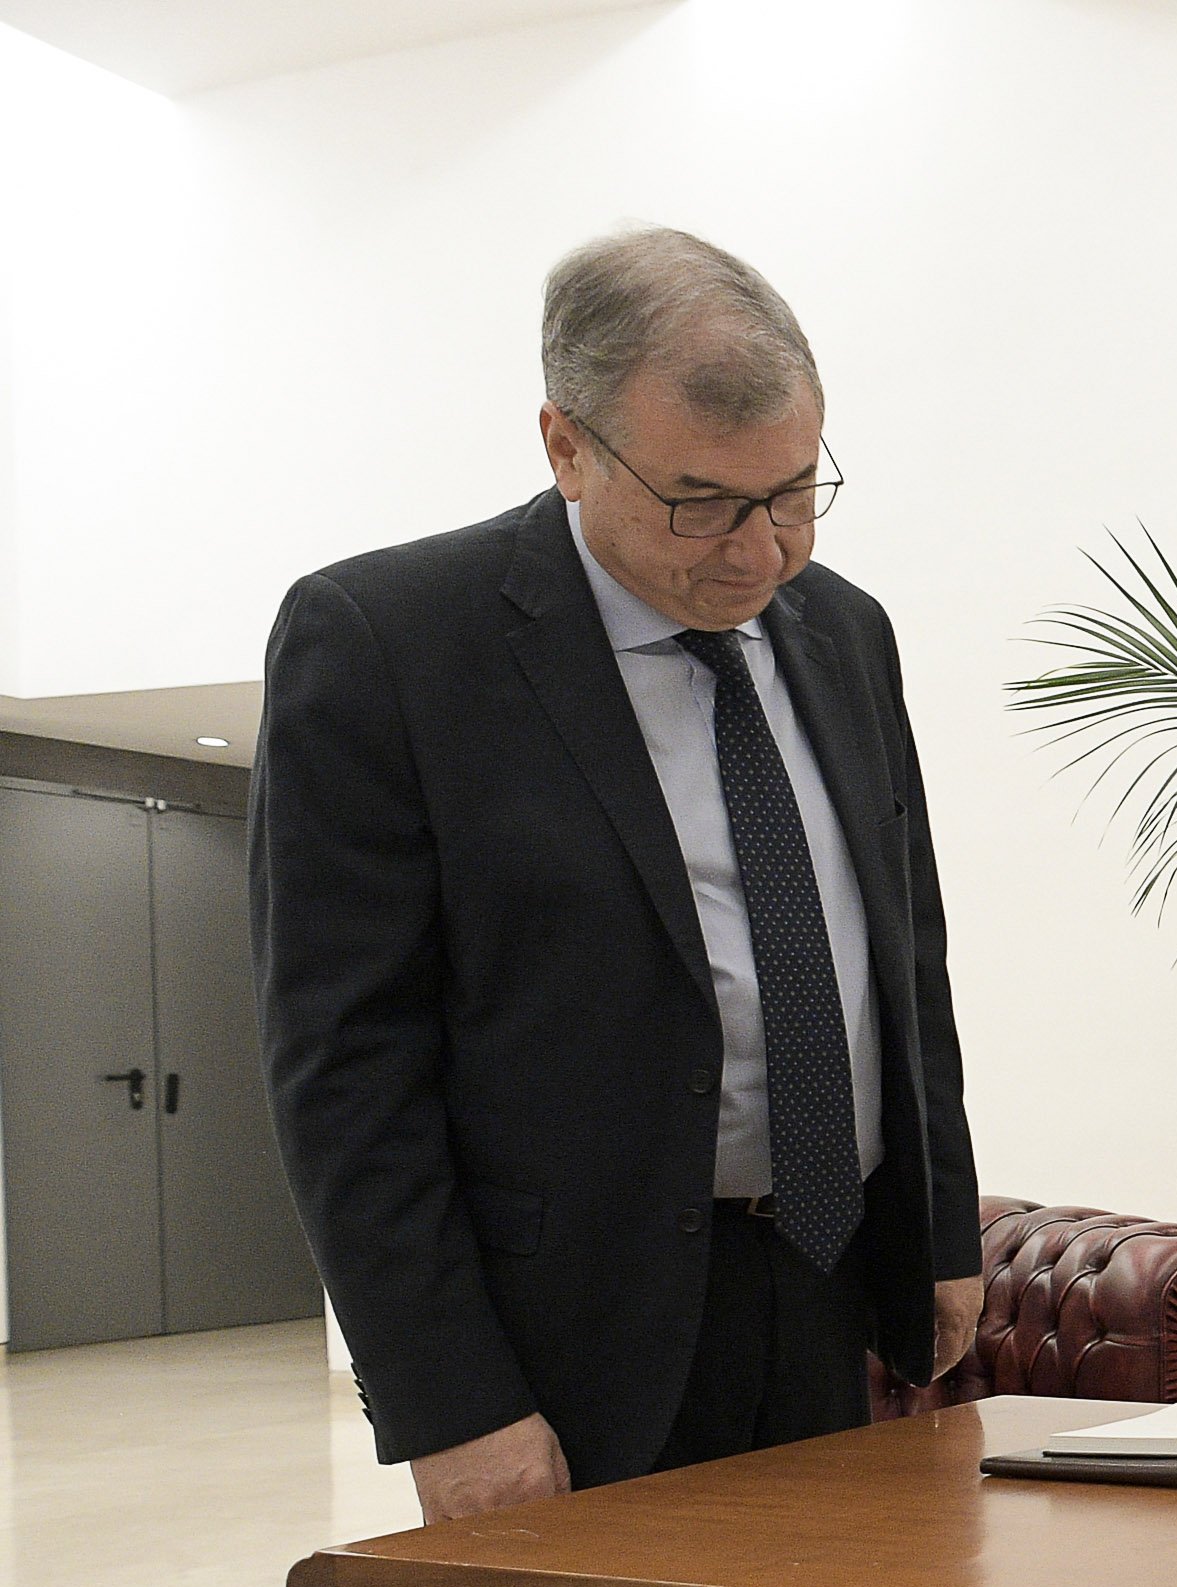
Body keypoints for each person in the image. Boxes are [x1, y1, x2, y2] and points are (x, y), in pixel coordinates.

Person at [253, 227, 983, 1521]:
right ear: (566, 443)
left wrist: (935, 1232)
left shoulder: (844, 633)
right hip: (567, 1335)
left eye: (794, 493)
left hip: (821, 1280)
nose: (758, 554)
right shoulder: (388, 646)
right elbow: (346, 1069)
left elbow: (901, 953)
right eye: (700, 502)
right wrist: (452, 1398)